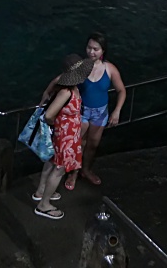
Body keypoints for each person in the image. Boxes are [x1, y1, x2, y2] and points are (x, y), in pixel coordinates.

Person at [44, 32, 126, 190]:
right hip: (80, 111)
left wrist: (117, 111)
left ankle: (86, 170)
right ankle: (73, 172)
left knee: (93, 144)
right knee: (78, 143)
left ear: (103, 51)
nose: (91, 52)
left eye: (96, 49)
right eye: (89, 48)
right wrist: (46, 95)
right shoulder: (80, 67)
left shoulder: (110, 69)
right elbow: (57, 80)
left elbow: (121, 90)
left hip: (100, 113)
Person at [33, 55, 93, 220]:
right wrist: (59, 126)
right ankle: (44, 205)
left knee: (51, 162)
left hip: (66, 134)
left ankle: (41, 192)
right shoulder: (66, 92)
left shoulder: (69, 86)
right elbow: (49, 115)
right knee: (59, 169)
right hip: (65, 136)